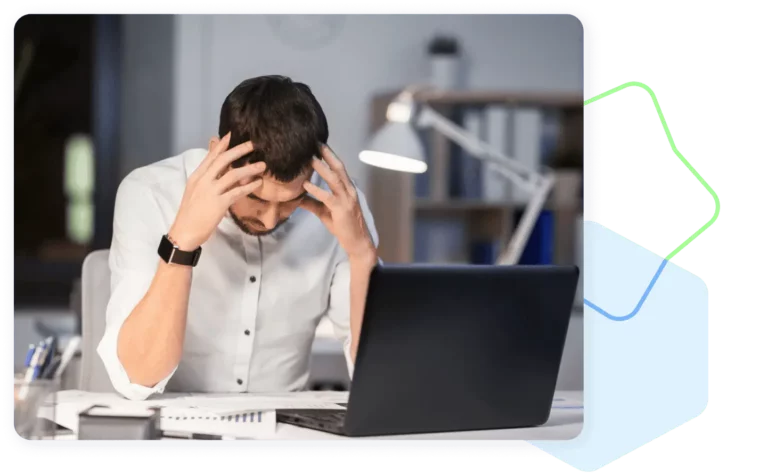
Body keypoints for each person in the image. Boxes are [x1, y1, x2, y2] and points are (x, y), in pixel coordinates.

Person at [97, 75, 379, 401]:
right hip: (174, 431)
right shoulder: (151, 193)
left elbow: (377, 375)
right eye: (256, 199)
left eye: (291, 200)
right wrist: (182, 241)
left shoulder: (342, 206)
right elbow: (137, 377)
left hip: (284, 435)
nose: (271, 218)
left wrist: (362, 255)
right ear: (219, 153)